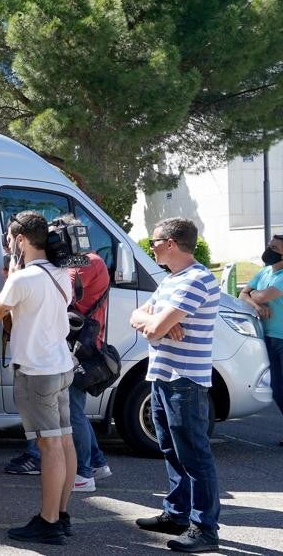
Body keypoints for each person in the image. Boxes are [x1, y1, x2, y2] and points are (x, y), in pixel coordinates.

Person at [0, 210, 76, 545]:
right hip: (61, 365)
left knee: (48, 446)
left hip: (36, 372)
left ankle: (47, 523)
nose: (6, 242)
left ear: (19, 240)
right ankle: (61, 515)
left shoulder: (22, 279)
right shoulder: (62, 272)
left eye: (8, 237)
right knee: (63, 441)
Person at [130, 218, 221, 553]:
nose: (150, 247)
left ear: (170, 243)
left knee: (194, 455)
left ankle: (205, 528)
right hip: (163, 376)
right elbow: (139, 316)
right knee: (171, 451)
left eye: (153, 242)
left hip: (184, 380)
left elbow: (152, 329)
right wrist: (158, 323)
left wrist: (158, 325)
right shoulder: (172, 280)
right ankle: (177, 513)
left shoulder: (196, 280)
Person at [4, 217, 113, 491]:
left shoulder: (84, 263)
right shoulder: (79, 262)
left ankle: (84, 473)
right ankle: (97, 463)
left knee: (72, 413)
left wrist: (23, 272)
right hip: (71, 343)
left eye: (54, 236)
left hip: (76, 345)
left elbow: (68, 294)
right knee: (74, 409)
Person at [239, 234, 283, 446]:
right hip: (269, 337)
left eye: (274, 247)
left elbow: (261, 295)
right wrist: (256, 305)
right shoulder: (265, 271)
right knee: (276, 387)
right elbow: (243, 295)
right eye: (269, 245)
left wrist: (255, 297)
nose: (269, 250)